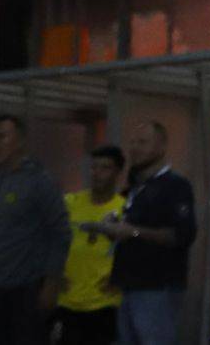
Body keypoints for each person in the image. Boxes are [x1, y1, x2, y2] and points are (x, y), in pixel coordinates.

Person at [90, 120, 196, 345]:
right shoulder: (135, 188)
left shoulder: (175, 186)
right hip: (129, 286)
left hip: (156, 286)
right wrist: (114, 227)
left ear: (161, 147)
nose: (136, 148)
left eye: (143, 142)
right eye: (133, 142)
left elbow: (182, 234)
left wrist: (133, 232)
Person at [0, 113, 70, 345]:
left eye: (2, 136)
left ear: (20, 141)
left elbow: (60, 232)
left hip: (26, 288)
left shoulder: (39, 181)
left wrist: (51, 283)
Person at [56, 145, 126, 345]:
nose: (97, 174)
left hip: (104, 303)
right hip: (68, 299)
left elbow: (136, 252)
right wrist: (52, 273)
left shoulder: (124, 209)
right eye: (94, 167)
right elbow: (48, 239)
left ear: (117, 172)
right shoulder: (71, 202)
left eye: (105, 168)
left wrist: (119, 278)